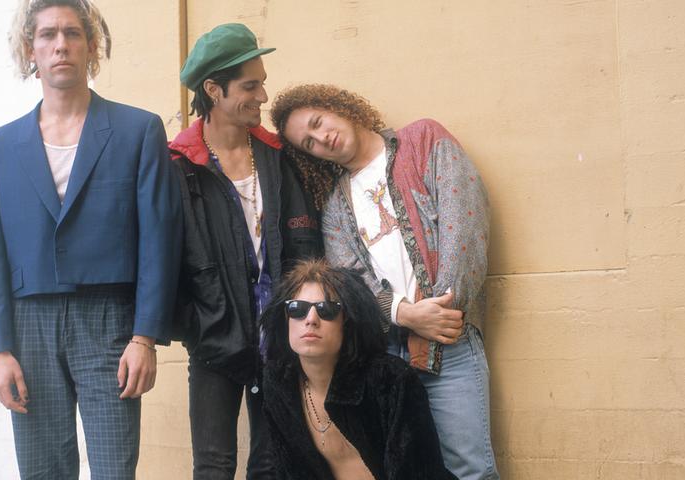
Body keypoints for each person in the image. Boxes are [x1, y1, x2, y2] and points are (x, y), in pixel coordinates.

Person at [0, 1, 181, 478]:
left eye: (72, 33)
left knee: (114, 467)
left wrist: (145, 337)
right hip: (29, 326)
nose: (60, 44)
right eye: (47, 35)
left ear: (92, 46)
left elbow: (159, 238)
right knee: (43, 469)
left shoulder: (138, 130)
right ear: (31, 49)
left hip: (109, 321)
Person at [270, 84, 499, 479]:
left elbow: (466, 227)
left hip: (449, 340)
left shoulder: (424, 140)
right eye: (310, 144)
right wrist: (407, 315)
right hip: (388, 353)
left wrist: (439, 312)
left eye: (318, 123)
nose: (322, 139)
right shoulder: (336, 207)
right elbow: (352, 285)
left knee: (469, 470)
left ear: (336, 106)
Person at [168, 23, 321, 479]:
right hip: (214, 340)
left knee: (273, 465)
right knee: (213, 466)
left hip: (280, 341)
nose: (264, 96)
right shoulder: (178, 164)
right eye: (251, 86)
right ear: (213, 89)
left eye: (263, 82)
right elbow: (163, 258)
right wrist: (197, 325)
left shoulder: (278, 156)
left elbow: (305, 242)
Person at [260, 259, 455, 480]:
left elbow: (419, 473)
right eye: (298, 309)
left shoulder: (390, 381)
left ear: (348, 322)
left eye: (327, 310)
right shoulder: (279, 383)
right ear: (285, 319)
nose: (311, 319)